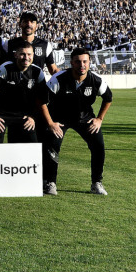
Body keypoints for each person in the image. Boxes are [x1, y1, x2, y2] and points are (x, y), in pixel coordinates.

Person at [38, 48, 113, 196]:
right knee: (52, 145)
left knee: (98, 145)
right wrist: (50, 123)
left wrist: (99, 119)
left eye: (85, 61)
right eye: (78, 62)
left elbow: (108, 98)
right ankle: (50, 183)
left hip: (85, 118)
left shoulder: (96, 80)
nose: (82, 65)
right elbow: (42, 101)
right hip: (59, 118)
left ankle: (96, 183)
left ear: (89, 62)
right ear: (71, 63)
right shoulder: (59, 79)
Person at [0, 43, 43, 145]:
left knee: (32, 142)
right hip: (2, 114)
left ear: (33, 55)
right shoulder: (6, 68)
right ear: (16, 55)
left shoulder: (37, 72)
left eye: (29, 54)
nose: (26, 58)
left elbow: (40, 98)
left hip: (23, 116)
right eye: (22, 54)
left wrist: (33, 117)